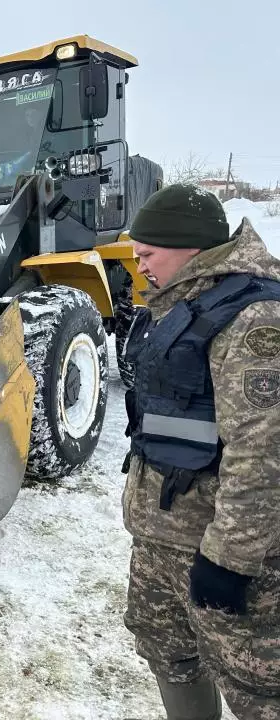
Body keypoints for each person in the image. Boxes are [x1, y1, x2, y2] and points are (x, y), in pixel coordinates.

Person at [122, 184, 280, 719]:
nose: (138, 265)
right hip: (163, 540)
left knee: (255, 680)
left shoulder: (254, 320)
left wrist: (230, 560)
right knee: (167, 652)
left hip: (216, 549)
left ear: (189, 246)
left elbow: (263, 455)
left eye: (148, 253)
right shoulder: (182, 304)